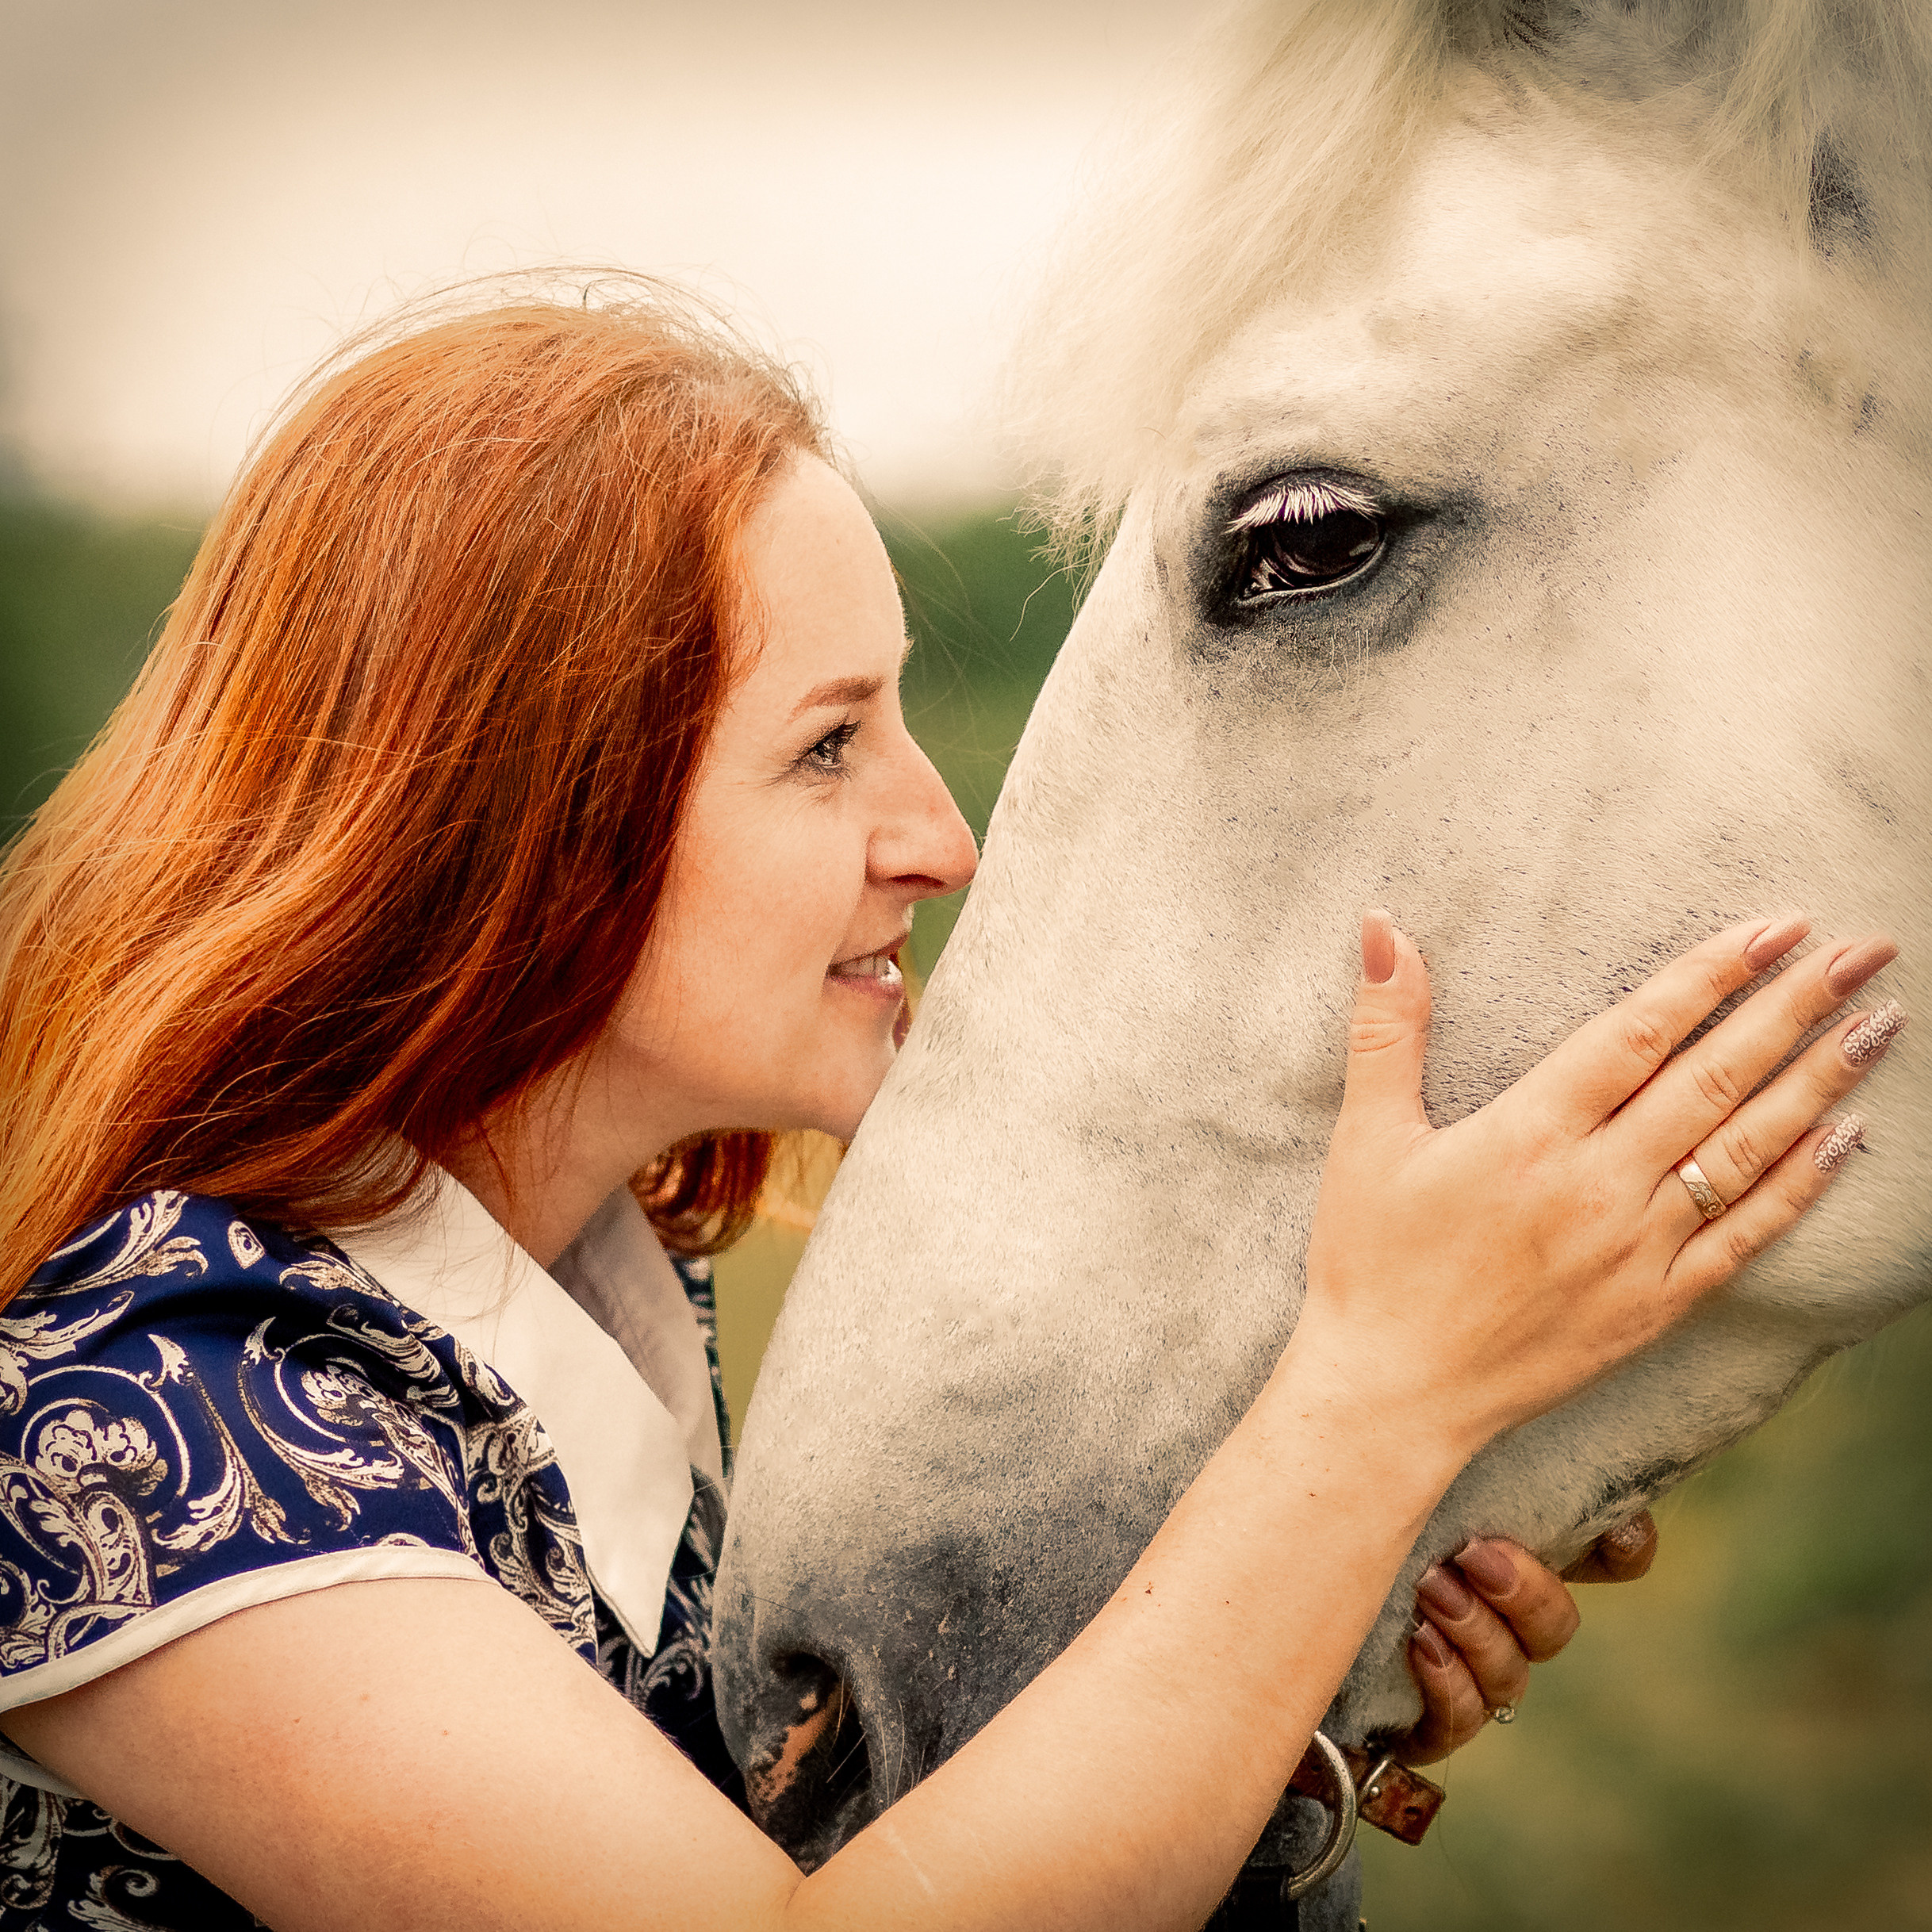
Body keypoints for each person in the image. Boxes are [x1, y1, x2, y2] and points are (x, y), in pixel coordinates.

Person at [0, 291, 1899, 1932]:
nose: (940, 834)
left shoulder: (603, 1280)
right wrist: (1382, 1397)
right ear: (531, 814)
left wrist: (1284, 1714)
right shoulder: (131, 1415)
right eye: (827, 747)